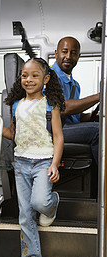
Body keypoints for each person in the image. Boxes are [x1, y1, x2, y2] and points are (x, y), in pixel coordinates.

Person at [0, 57, 65, 257]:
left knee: (39, 202)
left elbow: (58, 137)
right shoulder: (16, 105)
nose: (29, 79)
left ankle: (52, 204)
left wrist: (54, 163)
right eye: (25, 75)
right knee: (25, 214)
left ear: (45, 79)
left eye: (35, 75)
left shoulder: (49, 105)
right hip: (21, 163)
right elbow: (15, 135)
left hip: (44, 161)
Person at [51, 36, 100, 165]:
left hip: (67, 127)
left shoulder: (75, 85)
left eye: (73, 53)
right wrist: (99, 96)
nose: (68, 56)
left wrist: (91, 116)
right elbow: (63, 109)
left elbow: (73, 116)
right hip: (53, 129)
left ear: (78, 56)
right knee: (98, 131)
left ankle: (96, 183)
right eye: (64, 51)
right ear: (56, 53)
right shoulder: (49, 76)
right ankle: (103, 180)